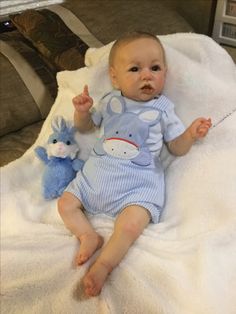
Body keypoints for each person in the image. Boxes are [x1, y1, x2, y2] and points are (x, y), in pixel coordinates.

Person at [58, 31, 212, 297]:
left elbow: (176, 147)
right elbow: (85, 128)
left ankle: (104, 265)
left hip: (138, 186)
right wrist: (81, 112)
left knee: (130, 226)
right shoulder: (109, 101)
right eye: (134, 68)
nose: (146, 75)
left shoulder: (164, 109)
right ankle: (88, 236)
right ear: (114, 76)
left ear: (165, 72)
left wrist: (190, 134)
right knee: (66, 204)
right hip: (96, 177)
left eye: (155, 68)